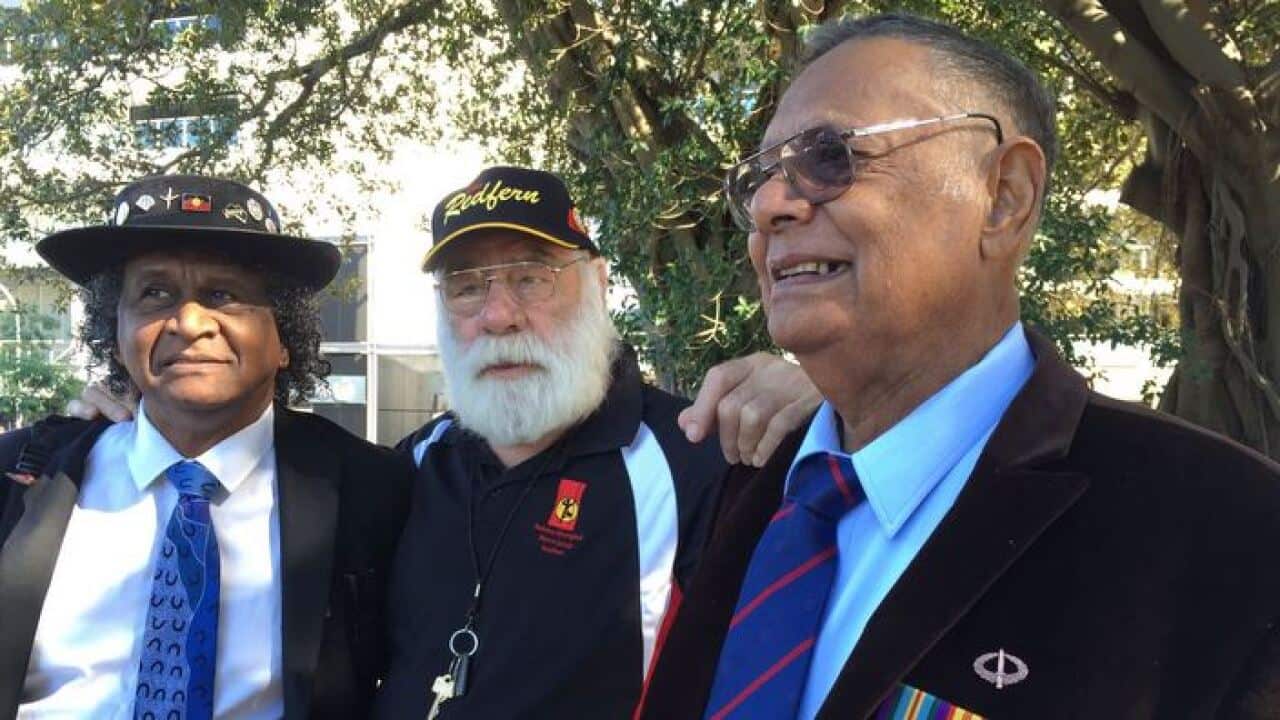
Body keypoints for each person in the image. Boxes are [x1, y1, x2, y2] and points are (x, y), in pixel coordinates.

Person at [640, 13, 1280, 720]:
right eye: (759, 179)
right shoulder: (749, 485)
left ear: (1003, 197)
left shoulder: (1234, 539)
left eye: (829, 156)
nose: (768, 207)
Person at [0, 176, 411, 719]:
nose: (189, 323)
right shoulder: (21, 477)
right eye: (154, 294)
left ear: (284, 339)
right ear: (114, 332)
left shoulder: (373, 492)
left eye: (223, 295)